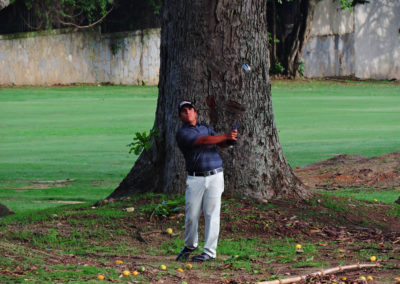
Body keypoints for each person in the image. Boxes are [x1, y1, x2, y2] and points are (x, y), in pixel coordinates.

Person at [175, 101, 237, 262]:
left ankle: (209, 252)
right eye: (184, 111)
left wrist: (229, 140)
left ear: (195, 113)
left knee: (212, 214)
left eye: (190, 109)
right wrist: (224, 136)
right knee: (191, 215)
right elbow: (203, 141)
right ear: (181, 116)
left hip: (215, 175)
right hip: (195, 178)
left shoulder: (205, 128)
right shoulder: (182, 133)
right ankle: (190, 245)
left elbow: (219, 143)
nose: (187, 112)